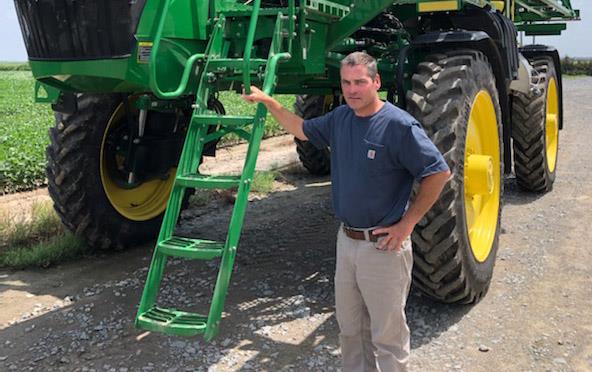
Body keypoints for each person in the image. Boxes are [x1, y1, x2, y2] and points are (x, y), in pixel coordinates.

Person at [242, 51, 450, 372]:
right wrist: (269, 102)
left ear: (376, 82)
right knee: (351, 331)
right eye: (346, 82)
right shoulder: (340, 119)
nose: (352, 90)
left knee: (388, 338)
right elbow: (300, 128)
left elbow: (438, 172)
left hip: (383, 247)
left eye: (360, 82)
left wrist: (406, 225)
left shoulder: (398, 125)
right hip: (347, 242)